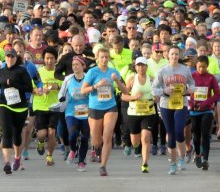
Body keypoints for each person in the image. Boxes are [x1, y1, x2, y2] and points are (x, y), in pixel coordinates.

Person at [79, 47, 127, 176]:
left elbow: (126, 90)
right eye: (102, 57)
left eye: (107, 57)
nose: (104, 59)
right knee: (96, 140)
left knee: (107, 135)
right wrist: (96, 86)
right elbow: (83, 91)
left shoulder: (113, 72)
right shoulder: (92, 72)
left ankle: (103, 166)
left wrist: (116, 80)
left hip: (110, 106)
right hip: (95, 107)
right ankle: (97, 149)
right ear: (97, 58)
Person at [154, 47, 194, 174]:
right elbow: (154, 88)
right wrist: (164, 91)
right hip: (166, 104)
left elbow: (193, 84)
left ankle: (181, 158)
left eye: (176, 54)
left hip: (181, 103)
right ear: (167, 55)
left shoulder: (185, 69)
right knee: (170, 134)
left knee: (178, 132)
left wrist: (188, 91)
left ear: (179, 55)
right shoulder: (162, 71)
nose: (174, 56)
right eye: (172, 54)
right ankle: (172, 163)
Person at [0, 50, 33, 174]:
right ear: (5, 58)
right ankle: (6, 163)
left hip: (20, 107)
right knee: (6, 132)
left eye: (12, 57)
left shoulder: (22, 71)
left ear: (16, 58)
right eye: (8, 56)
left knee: (17, 135)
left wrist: (15, 84)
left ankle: (17, 157)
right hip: (4, 104)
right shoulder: (0, 72)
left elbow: (29, 88)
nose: (10, 59)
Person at [121, 57, 157, 173]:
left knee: (146, 138)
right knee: (135, 142)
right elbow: (123, 96)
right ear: (135, 67)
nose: (141, 68)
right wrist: (133, 97)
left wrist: (156, 97)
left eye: (143, 65)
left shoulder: (151, 79)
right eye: (139, 65)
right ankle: (136, 146)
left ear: (147, 67)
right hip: (134, 113)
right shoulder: (132, 79)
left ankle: (145, 163)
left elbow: (157, 96)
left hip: (149, 112)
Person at [59, 55, 91, 171]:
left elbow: (94, 92)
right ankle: (73, 149)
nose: (74, 67)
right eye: (73, 65)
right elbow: (61, 93)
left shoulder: (89, 78)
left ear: (83, 66)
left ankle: (81, 162)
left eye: (77, 64)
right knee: (72, 134)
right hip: (71, 110)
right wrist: (61, 98)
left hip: (87, 111)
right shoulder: (68, 79)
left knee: (84, 137)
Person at [189, 55, 220, 171]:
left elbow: (216, 94)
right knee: (196, 135)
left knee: (205, 134)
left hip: (207, 109)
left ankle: (205, 159)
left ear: (207, 66)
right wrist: (192, 103)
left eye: (204, 67)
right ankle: (197, 155)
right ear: (195, 66)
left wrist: (205, 103)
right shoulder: (192, 77)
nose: (201, 69)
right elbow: (186, 92)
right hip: (194, 110)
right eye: (199, 67)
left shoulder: (211, 78)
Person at [32, 47, 61, 166]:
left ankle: (49, 156)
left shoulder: (59, 73)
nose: (49, 61)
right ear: (43, 59)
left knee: (52, 132)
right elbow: (31, 87)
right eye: (47, 58)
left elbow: (65, 86)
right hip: (40, 106)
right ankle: (40, 142)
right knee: (42, 133)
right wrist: (38, 90)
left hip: (54, 106)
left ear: (56, 59)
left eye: (52, 58)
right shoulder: (38, 72)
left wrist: (57, 87)